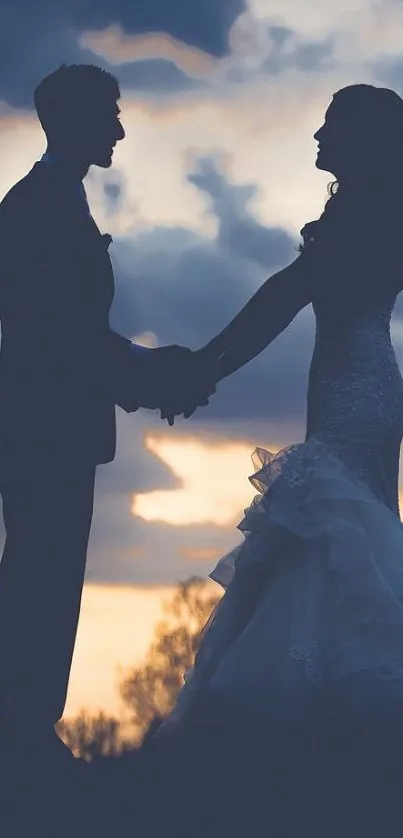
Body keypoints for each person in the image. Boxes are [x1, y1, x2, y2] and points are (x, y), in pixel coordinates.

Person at [149, 85, 403, 836]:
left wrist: (202, 368)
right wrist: (207, 363)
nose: (317, 135)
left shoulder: (363, 218)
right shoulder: (367, 213)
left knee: (333, 526)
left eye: (330, 125)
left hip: (356, 393)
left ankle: (323, 744)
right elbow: (282, 295)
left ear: (359, 140)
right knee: (346, 531)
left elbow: (282, 296)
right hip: (362, 387)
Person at [0, 63, 213, 783]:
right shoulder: (38, 206)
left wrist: (146, 373)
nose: (120, 128)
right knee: (40, 576)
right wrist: (157, 374)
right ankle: (22, 737)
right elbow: (60, 335)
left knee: (46, 576)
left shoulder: (53, 201)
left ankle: (27, 729)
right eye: (110, 115)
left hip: (53, 423)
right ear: (74, 118)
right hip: (43, 426)